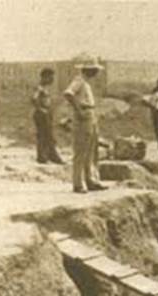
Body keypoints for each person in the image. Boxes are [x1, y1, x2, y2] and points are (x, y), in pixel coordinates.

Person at [62, 55, 106, 194]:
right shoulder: (79, 81)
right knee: (81, 151)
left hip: (90, 115)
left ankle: (90, 180)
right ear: (89, 70)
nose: (96, 72)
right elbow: (68, 94)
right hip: (83, 116)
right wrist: (78, 110)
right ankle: (78, 183)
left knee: (91, 150)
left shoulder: (86, 83)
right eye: (94, 69)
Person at [31, 68, 64, 165]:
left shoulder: (45, 88)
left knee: (48, 135)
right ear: (45, 77)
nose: (52, 80)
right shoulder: (39, 88)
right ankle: (44, 157)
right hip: (41, 114)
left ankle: (48, 155)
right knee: (43, 135)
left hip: (46, 113)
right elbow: (33, 98)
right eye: (50, 77)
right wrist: (41, 109)